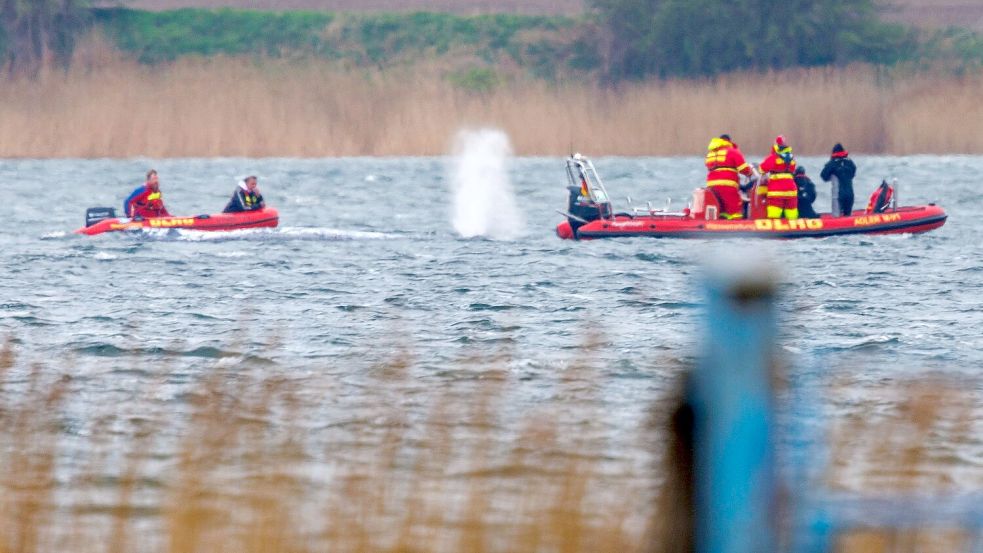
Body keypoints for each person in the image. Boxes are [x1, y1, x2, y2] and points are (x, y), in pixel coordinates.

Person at [704, 134, 757, 219]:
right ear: (729, 141)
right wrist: (750, 173)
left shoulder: (710, 154)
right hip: (727, 185)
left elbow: (709, 166)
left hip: (712, 186)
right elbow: (743, 168)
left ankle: (721, 224)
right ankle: (737, 227)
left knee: (722, 209)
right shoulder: (732, 151)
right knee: (734, 209)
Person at [759, 135, 798, 220]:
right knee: (791, 212)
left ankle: (773, 229)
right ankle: (792, 228)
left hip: (776, 191)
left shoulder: (773, 158)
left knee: (774, 212)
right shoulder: (792, 159)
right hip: (791, 190)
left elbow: (762, 169)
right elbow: (793, 169)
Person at [820, 143, 857, 216]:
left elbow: (823, 176)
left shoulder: (832, 163)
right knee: (847, 216)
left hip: (838, 196)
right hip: (850, 194)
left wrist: (831, 176)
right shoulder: (850, 162)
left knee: (836, 216)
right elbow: (853, 172)